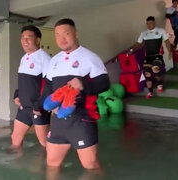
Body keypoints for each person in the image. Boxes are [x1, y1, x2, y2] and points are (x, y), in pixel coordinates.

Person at [39, 18, 110, 172]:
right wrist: (46, 107)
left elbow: (105, 84)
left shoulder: (90, 57)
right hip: (58, 121)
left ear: (75, 34)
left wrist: (83, 84)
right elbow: (48, 87)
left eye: (66, 33)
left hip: (82, 121)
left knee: (90, 165)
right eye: (57, 35)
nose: (61, 39)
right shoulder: (54, 61)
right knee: (52, 163)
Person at [11, 25, 51, 149]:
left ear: (38, 40)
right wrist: (17, 94)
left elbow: (50, 85)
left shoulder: (45, 58)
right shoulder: (24, 58)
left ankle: (49, 165)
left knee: (44, 143)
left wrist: (39, 106)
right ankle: (16, 164)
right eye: (23, 38)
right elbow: (24, 81)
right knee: (15, 138)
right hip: (24, 106)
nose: (24, 41)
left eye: (29, 38)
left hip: (38, 108)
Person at [130, 16, 171, 99]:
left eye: (151, 23)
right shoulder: (144, 33)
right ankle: (150, 92)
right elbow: (138, 43)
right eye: (148, 23)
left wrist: (169, 52)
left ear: (154, 23)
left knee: (155, 69)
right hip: (148, 57)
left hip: (157, 55)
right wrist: (131, 50)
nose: (150, 25)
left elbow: (167, 41)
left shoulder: (160, 31)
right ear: (146, 24)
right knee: (147, 73)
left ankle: (160, 84)